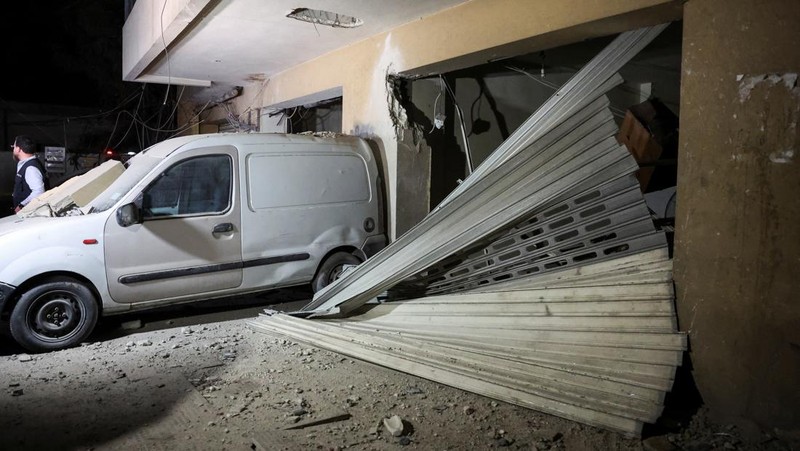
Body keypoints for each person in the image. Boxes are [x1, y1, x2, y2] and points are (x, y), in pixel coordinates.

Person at [11, 135, 46, 213]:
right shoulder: (28, 164)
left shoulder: (30, 168)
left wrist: (21, 205)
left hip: (29, 213)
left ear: (19, 149)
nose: (13, 149)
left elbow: (39, 191)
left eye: (14, 147)